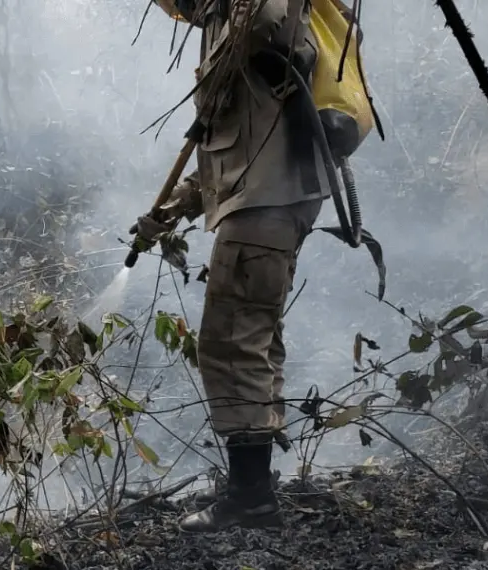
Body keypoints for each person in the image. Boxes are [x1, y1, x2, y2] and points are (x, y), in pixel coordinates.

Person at [135, 0, 329, 533]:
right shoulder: (223, 23)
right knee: (254, 338)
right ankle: (253, 486)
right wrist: (171, 211)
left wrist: (226, 53)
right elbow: (227, 151)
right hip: (265, 196)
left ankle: (251, 499)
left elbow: (264, 21)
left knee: (230, 340)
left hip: (270, 199)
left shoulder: (252, 14)